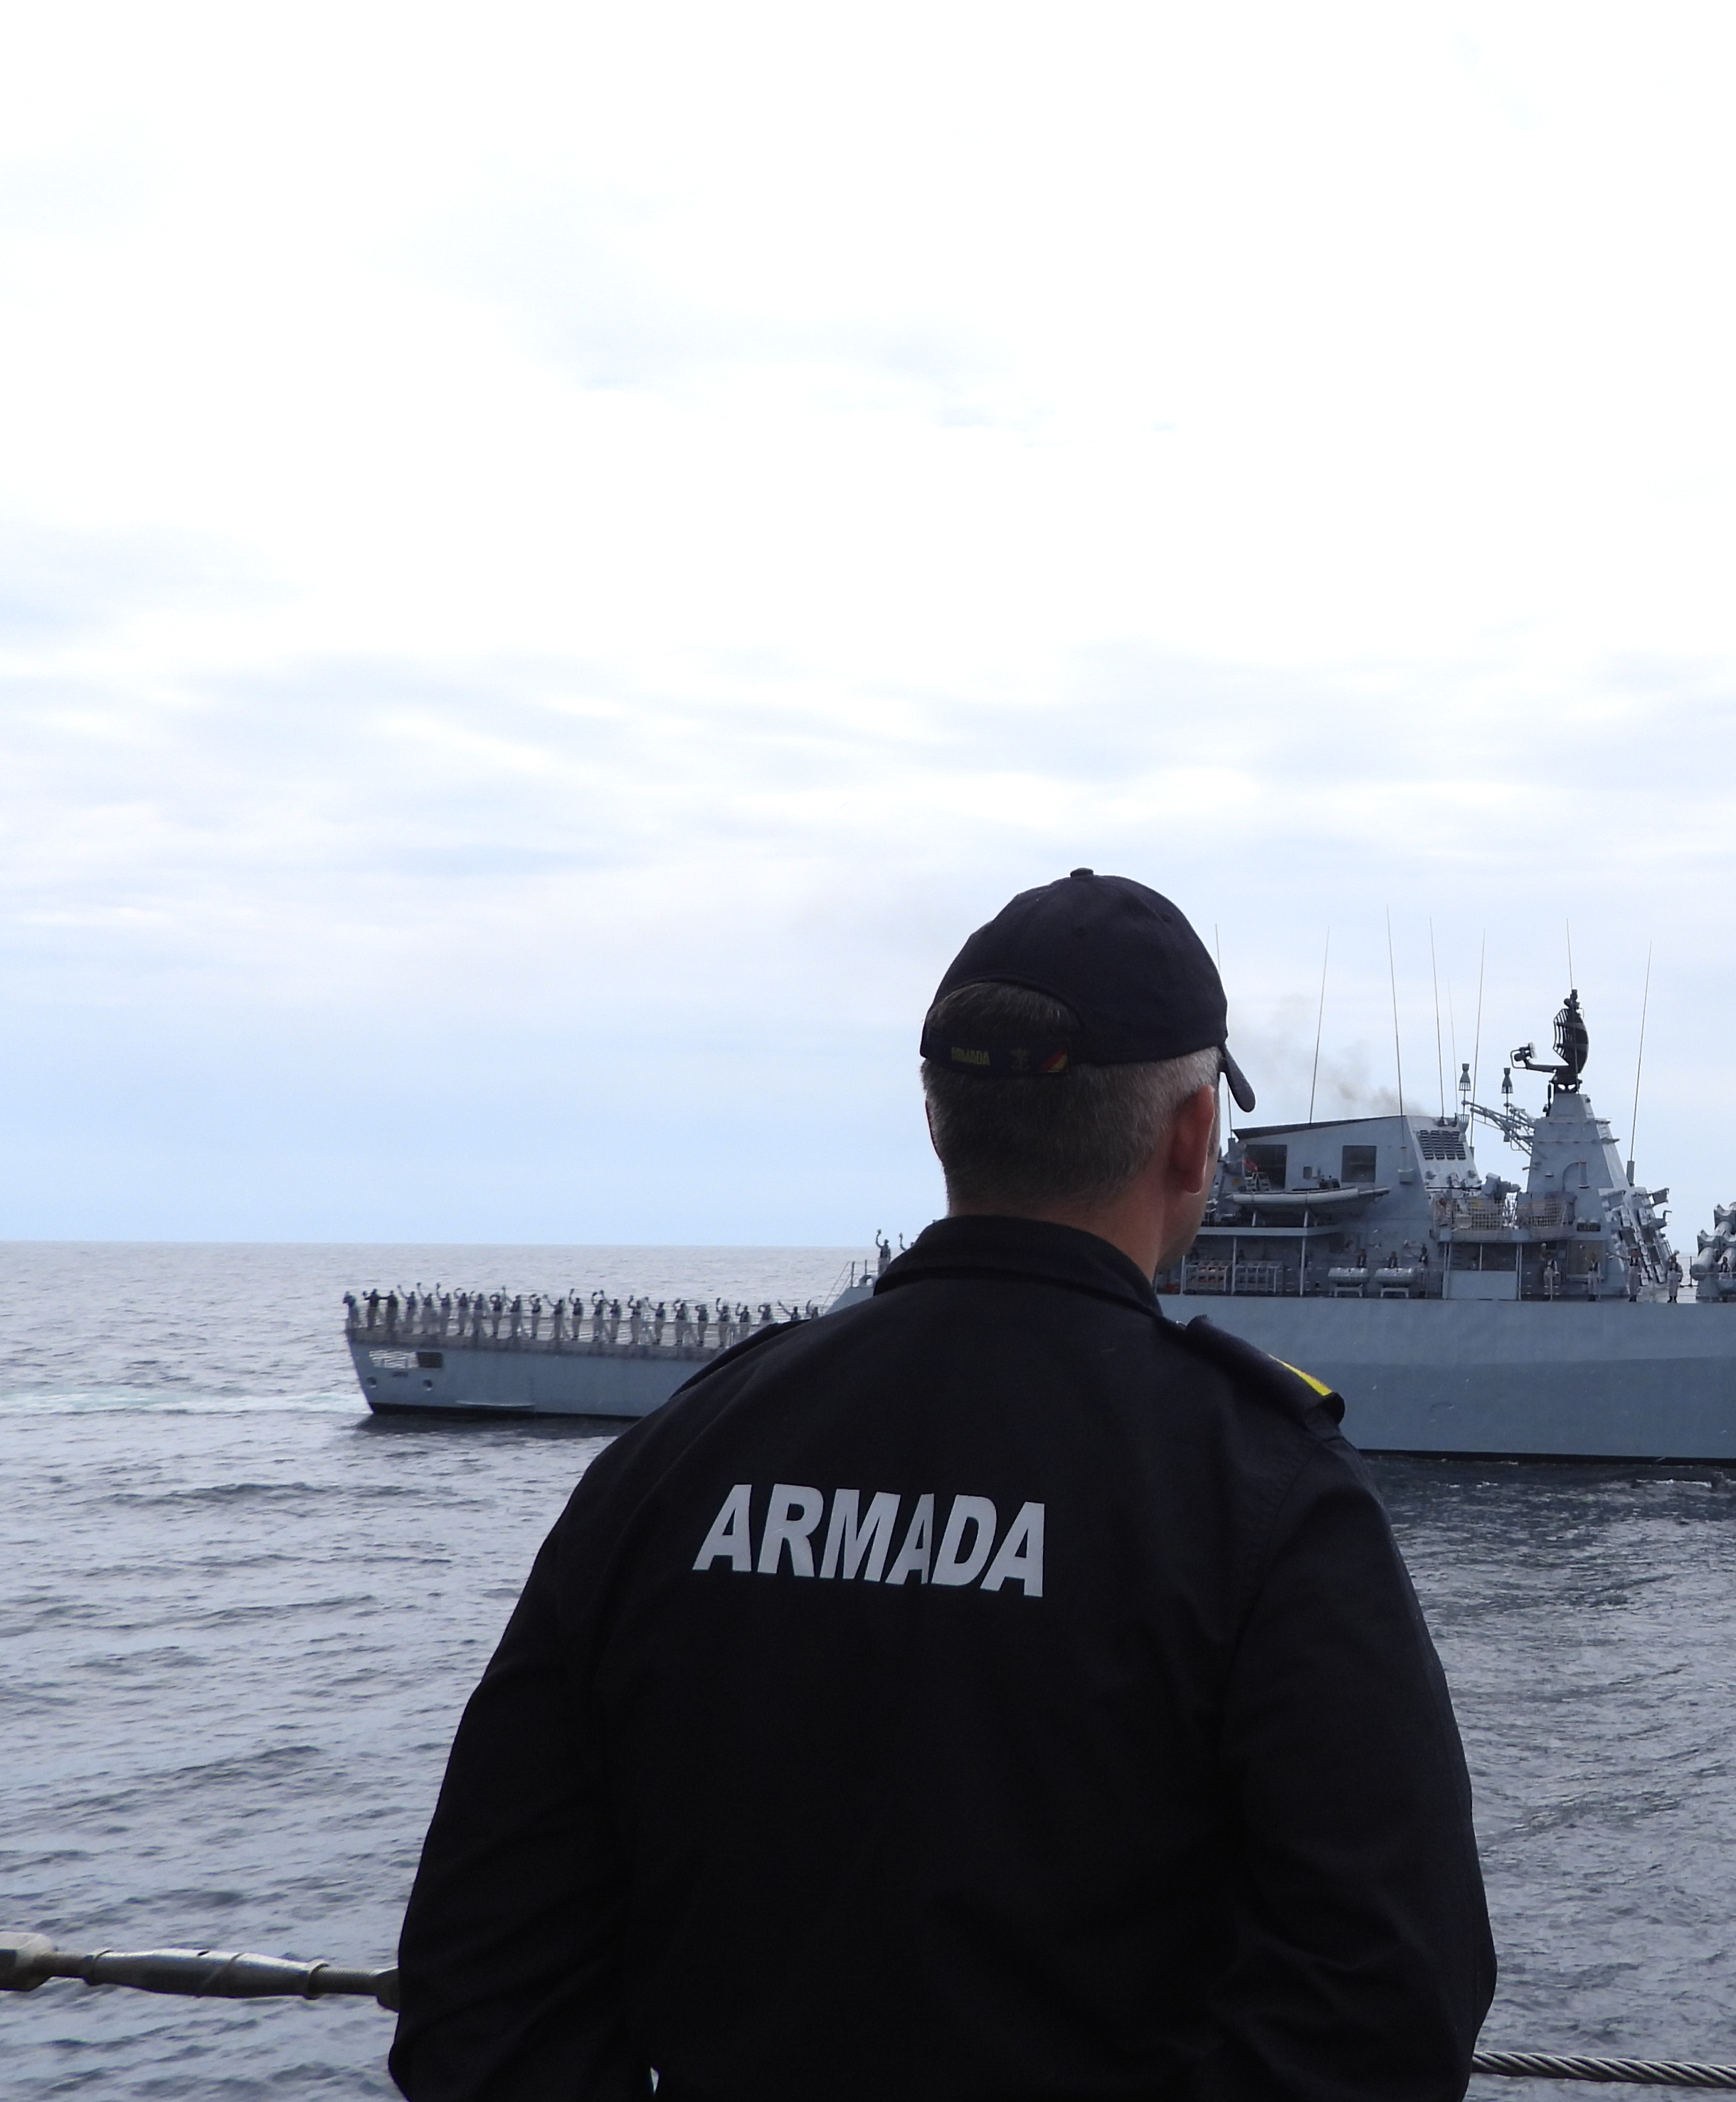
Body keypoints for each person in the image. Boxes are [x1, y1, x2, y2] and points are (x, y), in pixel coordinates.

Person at [389, 870, 1496, 2102]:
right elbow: (1390, 2000)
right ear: (1194, 1141)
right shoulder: (1269, 1495)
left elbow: (477, 1975)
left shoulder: (675, 1460)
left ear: (937, 1120)